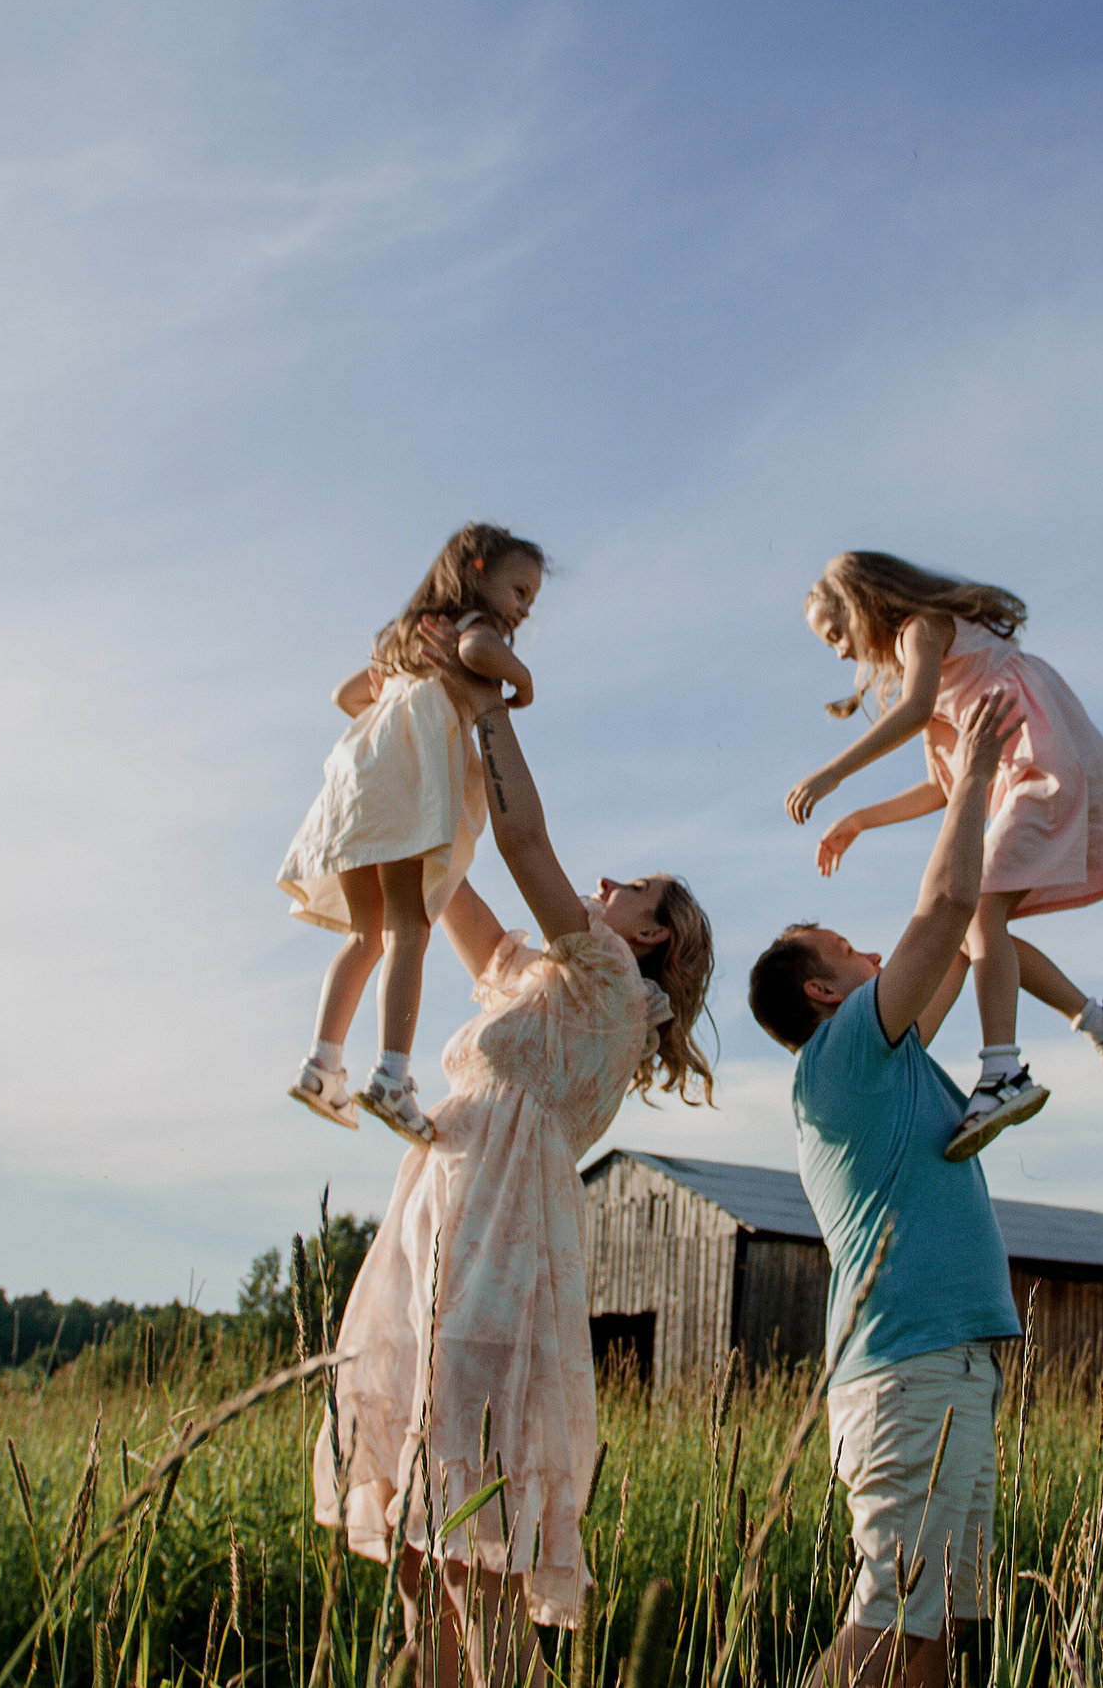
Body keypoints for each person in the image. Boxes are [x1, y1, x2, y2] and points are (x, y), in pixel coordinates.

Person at [313, 618, 715, 1688]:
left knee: (470, 1555)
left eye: (632, 888)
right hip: (436, 1223)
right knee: (418, 1553)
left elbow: (526, 843)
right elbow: (446, 879)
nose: (607, 880)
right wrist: (423, 726)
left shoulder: (608, 991)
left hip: (497, 1250)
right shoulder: (535, 976)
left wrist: (491, 710)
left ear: (651, 936)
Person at [748, 692, 1023, 1688]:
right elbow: (940, 911)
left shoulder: (890, 1059)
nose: (870, 950)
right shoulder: (845, 1052)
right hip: (907, 1375)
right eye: (845, 948)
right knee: (890, 1622)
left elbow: (957, 937)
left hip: (938, 1371)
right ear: (825, 991)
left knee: (932, 1635)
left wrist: (968, 803)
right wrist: (982, 764)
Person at [785, 550, 1103, 1159]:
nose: (839, 653)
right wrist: (861, 819)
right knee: (973, 930)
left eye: (837, 634)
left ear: (862, 607)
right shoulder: (943, 683)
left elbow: (911, 711)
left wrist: (832, 775)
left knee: (978, 911)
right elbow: (946, 785)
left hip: (1039, 767)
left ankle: (1003, 1072)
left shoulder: (924, 629)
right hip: (1030, 769)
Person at [277, 522, 545, 1144]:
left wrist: (395, 701)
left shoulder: (403, 639)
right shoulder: (466, 627)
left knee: (365, 934)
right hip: (399, 793)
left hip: (353, 792)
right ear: (476, 569)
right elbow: (481, 657)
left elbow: (346, 696)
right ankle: (392, 1076)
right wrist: (522, 683)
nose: (523, 609)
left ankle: (322, 1064)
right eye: (520, 591)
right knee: (407, 930)